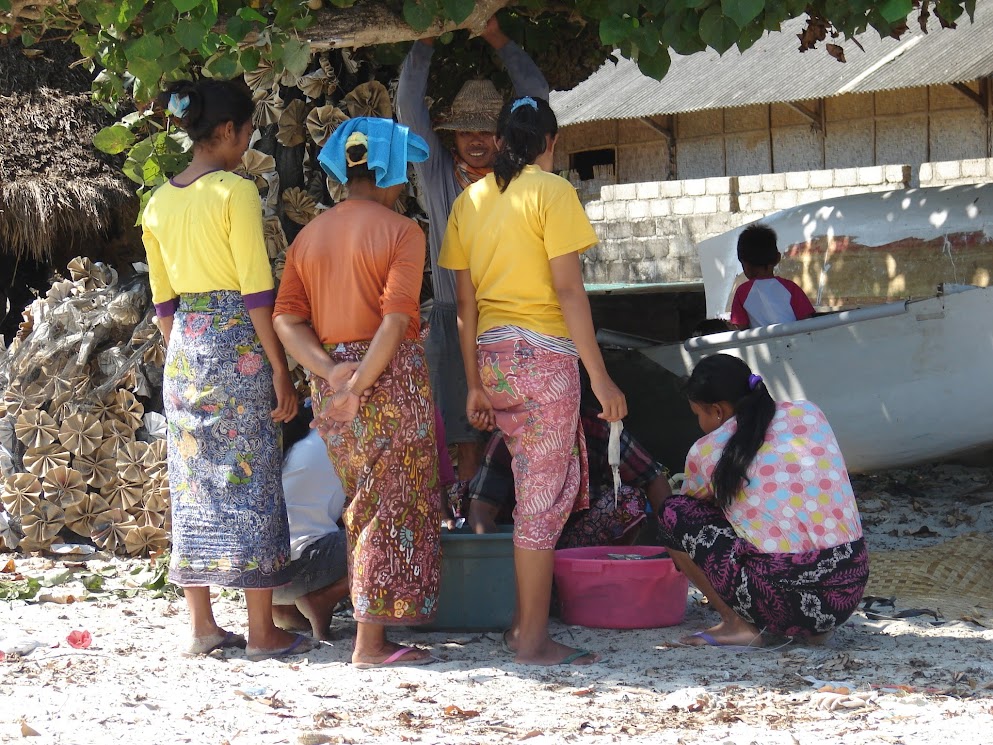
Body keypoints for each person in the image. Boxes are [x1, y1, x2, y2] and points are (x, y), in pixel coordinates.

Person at [439, 96, 627, 666]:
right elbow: (569, 292)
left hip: (493, 358)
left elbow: (463, 307)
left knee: (537, 489)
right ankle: (531, 637)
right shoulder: (552, 191)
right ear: (549, 141)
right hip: (544, 357)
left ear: (499, 140)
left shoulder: (469, 200)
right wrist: (601, 379)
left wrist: (472, 384)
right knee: (542, 500)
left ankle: (525, 625)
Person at [142, 79, 312, 661]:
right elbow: (257, 291)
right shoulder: (233, 193)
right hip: (237, 343)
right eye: (246, 130)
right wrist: (280, 368)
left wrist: (185, 357)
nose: (248, 140)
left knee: (193, 485)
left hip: (186, 348)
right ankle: (263, 632)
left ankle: (202, 627)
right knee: (252, 478)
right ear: (228, 132)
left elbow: (163, 302)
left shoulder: (157, 203)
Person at [273, 117, 443, 669]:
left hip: (334, 382)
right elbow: (395, 322)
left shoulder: (307, 237)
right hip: (389, 379)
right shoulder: (402, 232)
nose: (407, 184)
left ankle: (361, 627)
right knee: (390, 504)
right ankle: (371, 644)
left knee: (360, 502)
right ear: (390, 168)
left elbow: (286, 320)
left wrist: (331, 374)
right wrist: (361, 381)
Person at [397, 16, 549, 484]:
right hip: (449, 315)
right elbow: (408, 105)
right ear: (452, 138)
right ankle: (466, 514)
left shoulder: (521, 175)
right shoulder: (440, 174)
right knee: (463, 433)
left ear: (504, 136)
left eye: (486, 131)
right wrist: (427, 35)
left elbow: (538, 99)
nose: (477, 141)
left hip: (513, 317)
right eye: (466, 132)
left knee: (523, 426)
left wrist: (497, 37)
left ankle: (513, 517)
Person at [658, 354, 869, 647]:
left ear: (717, 411)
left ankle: (737, 624)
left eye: (698, 413)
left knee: (673, 514)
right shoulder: (808, 413)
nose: (699, 422)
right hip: (848, 589)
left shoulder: (706, 451)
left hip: (781, 601)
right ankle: (815, 630)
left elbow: (694, 511)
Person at [465, 405, 673, 549]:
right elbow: (480, 511)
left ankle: (600, 571)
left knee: (628, 500)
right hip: (519, 541)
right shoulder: (509, 434)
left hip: (576, 539)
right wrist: (500, 564)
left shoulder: (597, 427)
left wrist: (675, 545)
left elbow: (652, 478)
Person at [271, 403, 350, 642]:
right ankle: (321, 599)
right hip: (300, 570)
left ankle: (284, 611)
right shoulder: (337, 440)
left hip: (261, 582)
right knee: (390, 534)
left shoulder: (290, 442)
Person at [729, 224, 815, 329]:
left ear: (744, 263)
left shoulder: (742, 292)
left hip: (760, 345)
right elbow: (808, 321)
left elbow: (740, 327)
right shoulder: (791, 288)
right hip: (794, 343)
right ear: (777, 258)